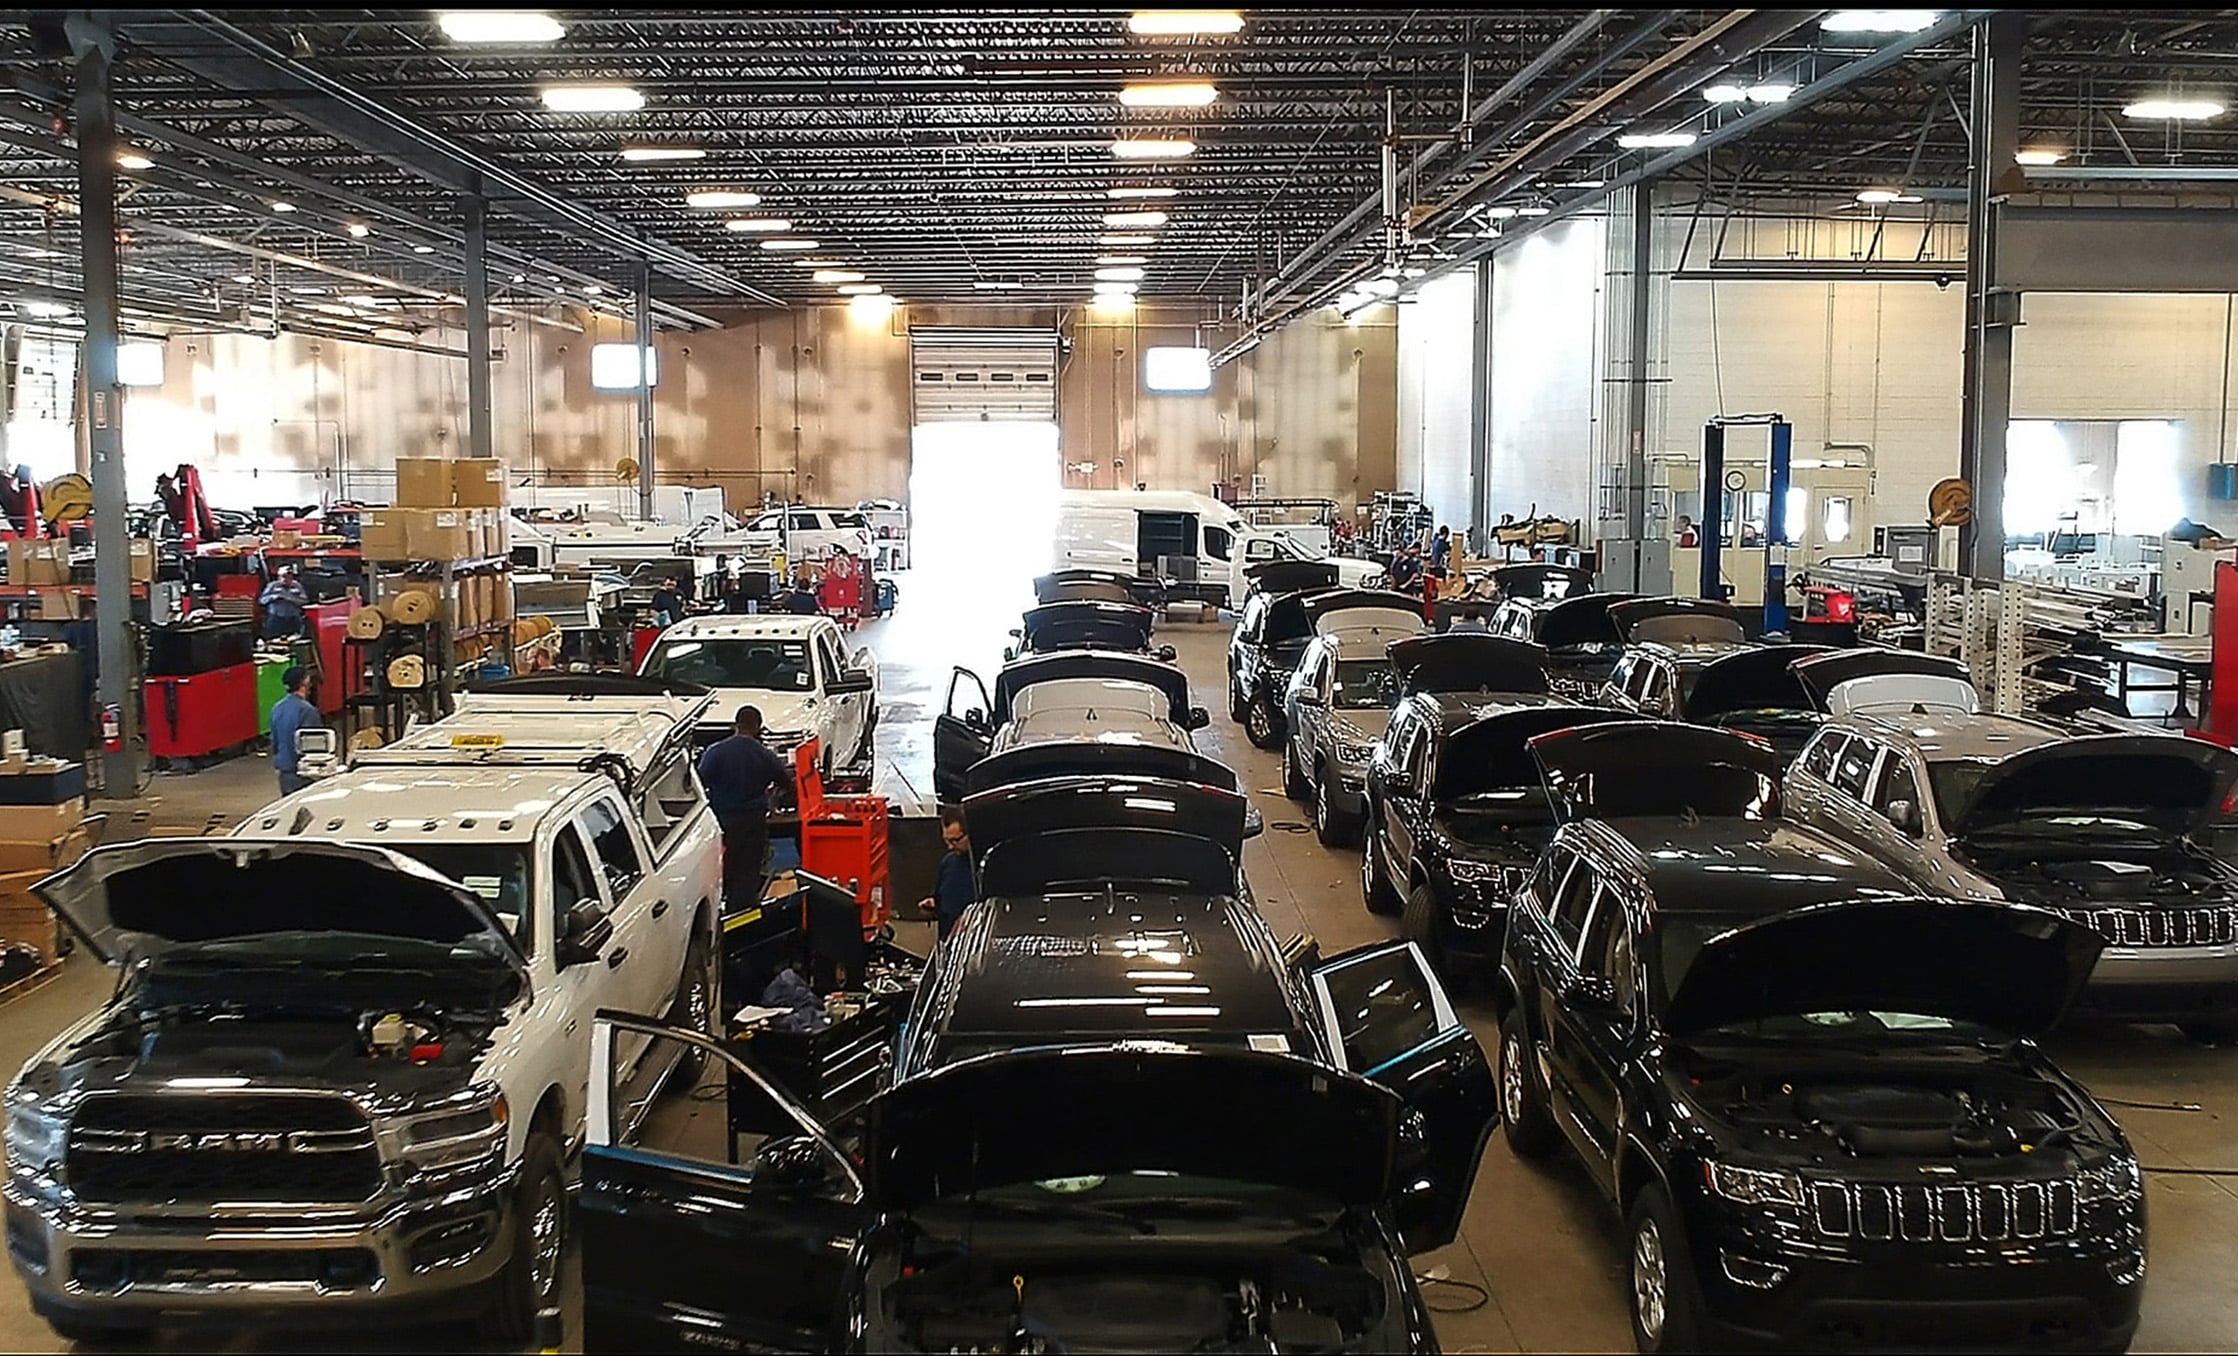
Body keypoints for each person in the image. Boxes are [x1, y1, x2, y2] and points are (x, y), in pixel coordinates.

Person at [698, 704, 794, 906]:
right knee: (749, 866)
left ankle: (721, 903)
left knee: (724, 861)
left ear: (736, 724)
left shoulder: (715, 752)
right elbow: (786, 782)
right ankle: (743, 910)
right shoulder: (765, 755)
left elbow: (700, 781)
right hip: (753, 819)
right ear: (758, 726)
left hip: (723, 818)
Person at [922, 807, 976, 942]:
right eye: (947, 841)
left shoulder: (983, 866)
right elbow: (938, 897)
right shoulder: (948, 863)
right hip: (947, 941)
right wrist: (931, 905)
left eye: (955, 841)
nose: (950, 847)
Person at [269, 666, 324, 797]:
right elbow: (314, 747)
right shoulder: (307, 711)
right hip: (303, 775)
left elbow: (274, 742)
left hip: (284, 773)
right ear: (304, 682)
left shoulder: (277, 708)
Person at [259, 566, 310, 641]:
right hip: (276, 618)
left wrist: (290, 598)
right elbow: (262, 601)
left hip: (293, 618)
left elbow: (305, 601)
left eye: (289, 577)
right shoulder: (272, 586)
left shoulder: (297, 586)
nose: (286, 579)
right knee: (272, 640)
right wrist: (275, 596)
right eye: (283, 576)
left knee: (296, 638)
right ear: (279, 577)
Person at [820, 547, 862, 630]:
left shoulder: (832, 568)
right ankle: (849, 618)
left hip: (835, 592)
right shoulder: (851, 575)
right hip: (848, 592)